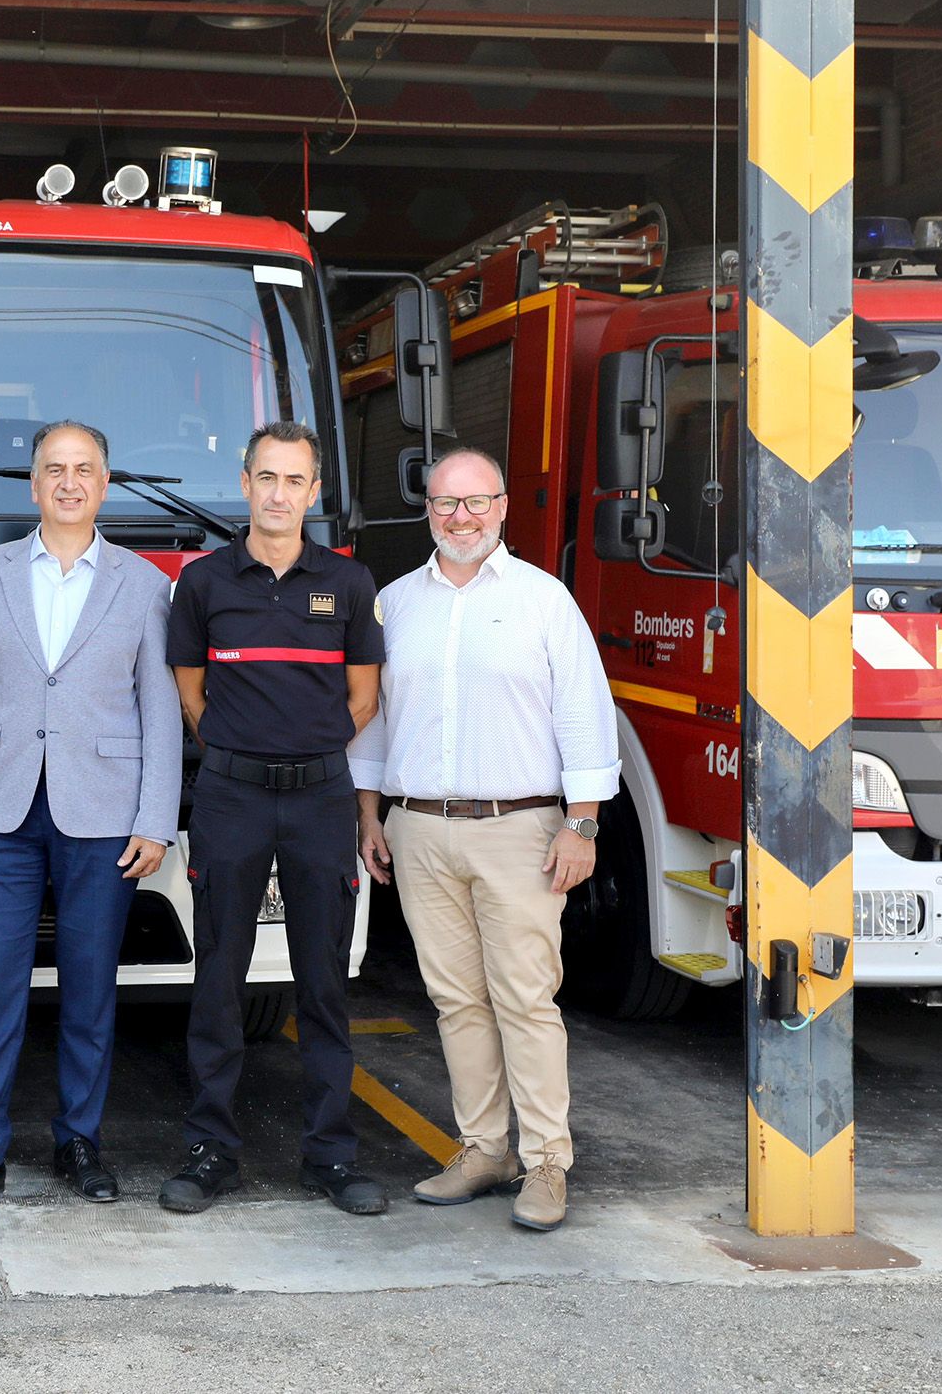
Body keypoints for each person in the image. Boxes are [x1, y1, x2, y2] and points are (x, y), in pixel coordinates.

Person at [351, 446, 619, 1233]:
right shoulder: (394, 604)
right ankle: (482, 1149)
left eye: (476, 502)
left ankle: (546, 1162)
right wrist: (368, 814)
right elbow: (374, 717)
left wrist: (581, 823)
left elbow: (583, 712)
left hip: (520, 829)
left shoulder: (542, 599)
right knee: (455, 999)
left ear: (501, 507)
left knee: (525, 998)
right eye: (445, 502)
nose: (460, 517)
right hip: (418, 827)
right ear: (427, 510)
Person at [0, 421, 182, 1220]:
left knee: (89, 989)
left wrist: (155, 818)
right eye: (54, 469)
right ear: (34, 484)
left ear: (104, 484)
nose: (68, 482)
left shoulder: (144, 583)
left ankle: (79, 1140)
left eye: (83, 469)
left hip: (104, 811)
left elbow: (159, 710)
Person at [162, 421, 386, 1217]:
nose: (279, 493)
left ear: (313, 491)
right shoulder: (202, 582)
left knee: (322, 981)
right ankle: (210, 1151)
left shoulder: (348, 582)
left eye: (294, 480)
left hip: (320, 798)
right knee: (217, 979)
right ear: (244, 483)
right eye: (266, 477)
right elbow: (191, 696)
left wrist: (303, 750)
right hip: (231, 798)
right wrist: (245, 752)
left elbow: (364, 698)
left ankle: (330, 1156)